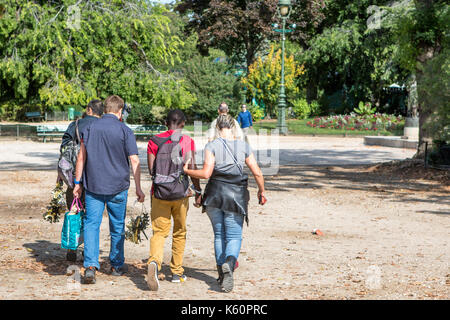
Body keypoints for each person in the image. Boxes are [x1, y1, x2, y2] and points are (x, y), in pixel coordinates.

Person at [183, 114, 266, 293]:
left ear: (217, 128)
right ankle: (230, 262)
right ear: (234, 128)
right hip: (236, 196)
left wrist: (187, 170)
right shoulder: (243, 146)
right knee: (234, 236)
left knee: (219, 235)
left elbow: (206, 174)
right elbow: (257, 173)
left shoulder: (211, 145)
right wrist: (262, 191)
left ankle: (222, 273)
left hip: (214, 195)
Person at [73, 95, 145, 284]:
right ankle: (116, 265)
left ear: (105, 109)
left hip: (94, 185)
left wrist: (77, 183)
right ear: (120, 111)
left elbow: (81, 157)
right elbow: (135, 160)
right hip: (118, 186)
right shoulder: (125, 130)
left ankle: (90, 266)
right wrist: (139, 188)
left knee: (91, 225)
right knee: (117, 226)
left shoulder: (89, 128)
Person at [145, 109, 202, 291]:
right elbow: (191, 167)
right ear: (183, 123)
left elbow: (152, 170)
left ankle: (154, 261)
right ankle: (177, 272)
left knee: (159, 232)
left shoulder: (154, 140)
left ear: (165, 123)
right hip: (181, 194)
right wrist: (198, 190)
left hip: (159, 194)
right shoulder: (187, 141)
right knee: (179, 231)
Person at [58, 99, 103, 262]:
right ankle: (88, 249)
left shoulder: (75, 125)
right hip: (94, 178)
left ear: (89, 110)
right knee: (92, 216)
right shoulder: (102, 126)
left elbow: (63, 148)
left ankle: (72, 247)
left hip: (73, 178)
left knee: (74, 210)